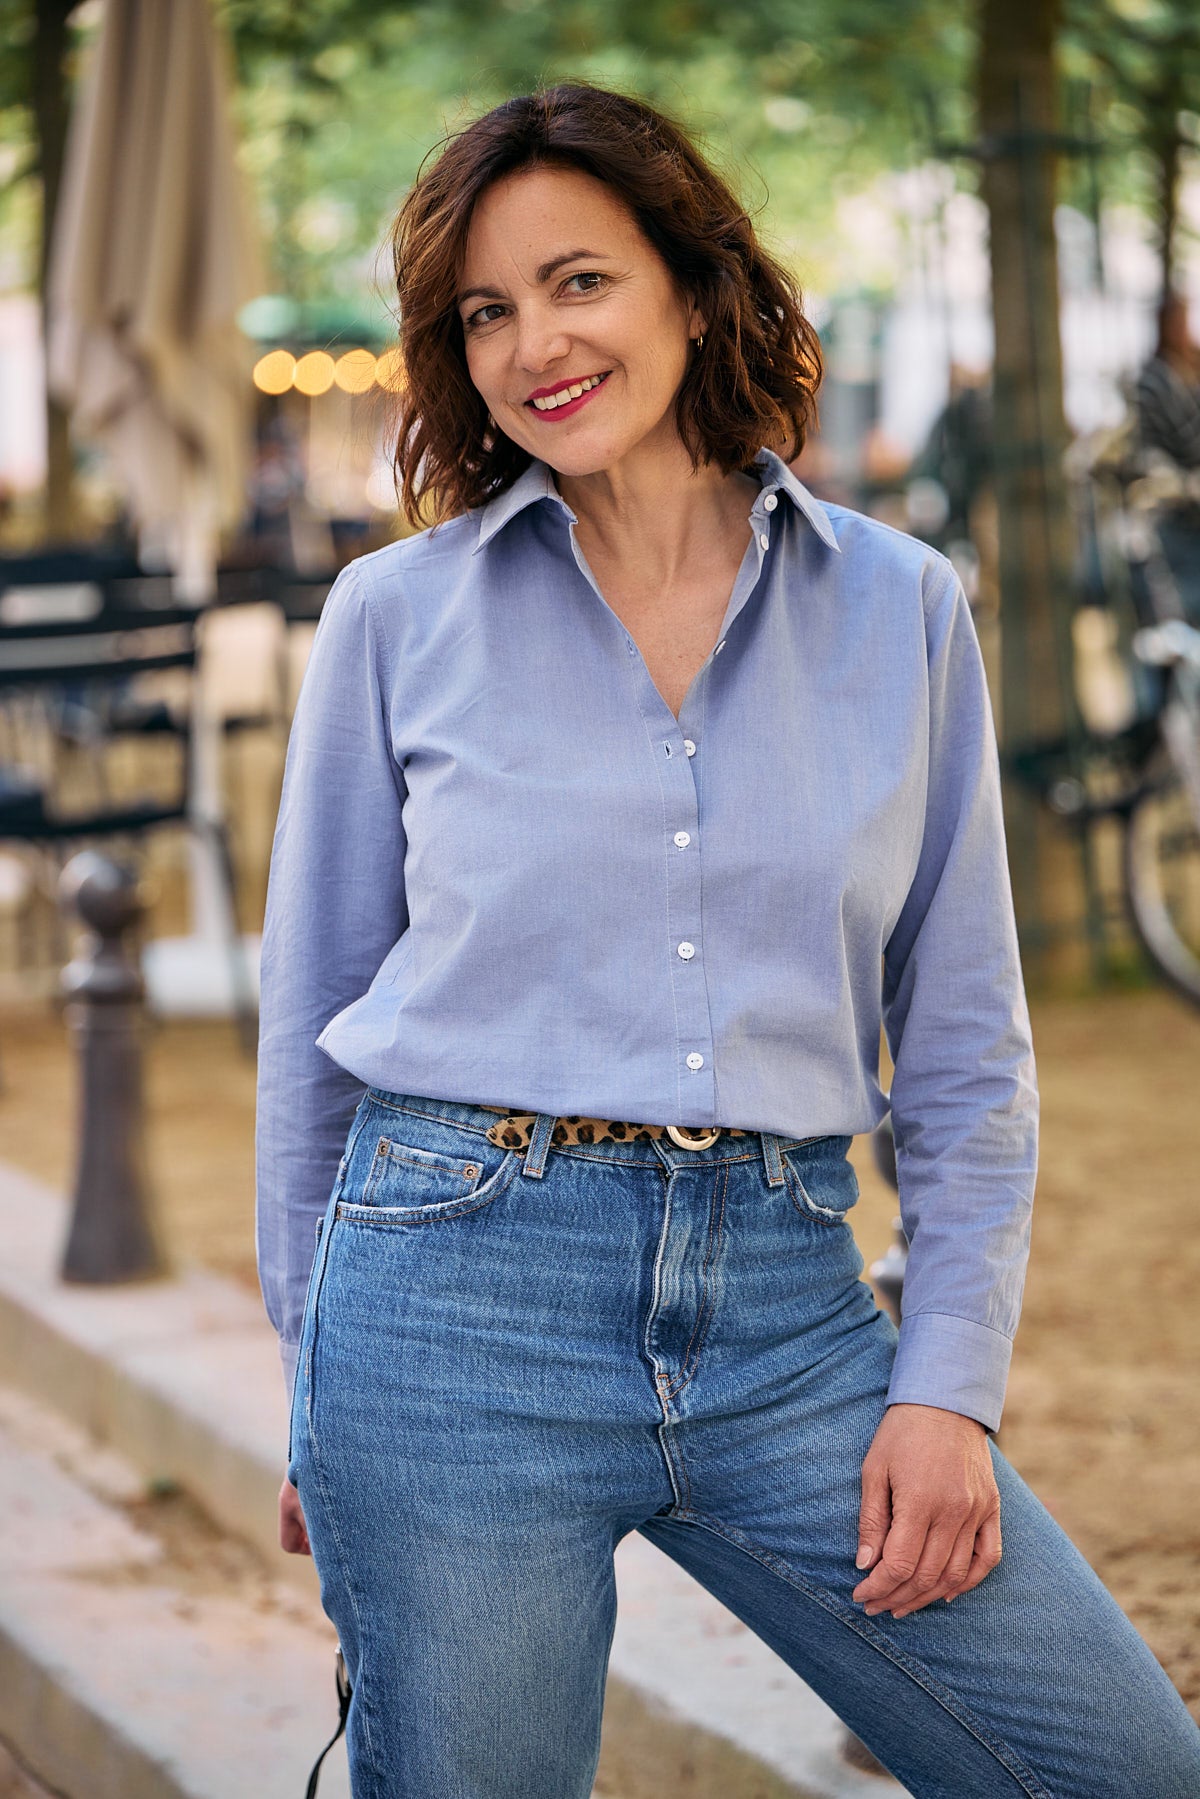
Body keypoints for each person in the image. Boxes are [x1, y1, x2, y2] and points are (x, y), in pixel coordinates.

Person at [255, 82, 1200, 1798]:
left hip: (788, 1304)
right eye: (484, 311)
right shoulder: (396, 619)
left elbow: (971, 1038)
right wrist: (317, 1371)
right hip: (455, 1303)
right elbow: (310, 1017)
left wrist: (951, 1389)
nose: (533, 341)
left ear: (693, 289)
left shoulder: (901, 605)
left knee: (1121, 1765)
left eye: (578, 281)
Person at [1133, 287, 1200, 624]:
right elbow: (1162, 444)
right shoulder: (1154, 378)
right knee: (1186, 605)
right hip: (1175, 509)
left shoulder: (1190, 369)